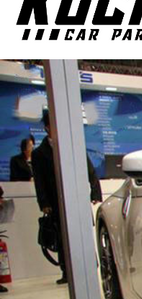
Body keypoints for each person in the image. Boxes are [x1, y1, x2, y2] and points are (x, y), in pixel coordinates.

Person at [33, 109, 103, 285]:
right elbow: (39, 181)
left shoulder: (73, 145)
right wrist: (44, 202)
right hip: (56, 201)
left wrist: (95, 192)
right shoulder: (39, 153)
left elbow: (90, 170)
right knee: (62, 236)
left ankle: (90, 267)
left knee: (84, 234)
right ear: (47, 127)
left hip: (77, 198)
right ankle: (66, 271)